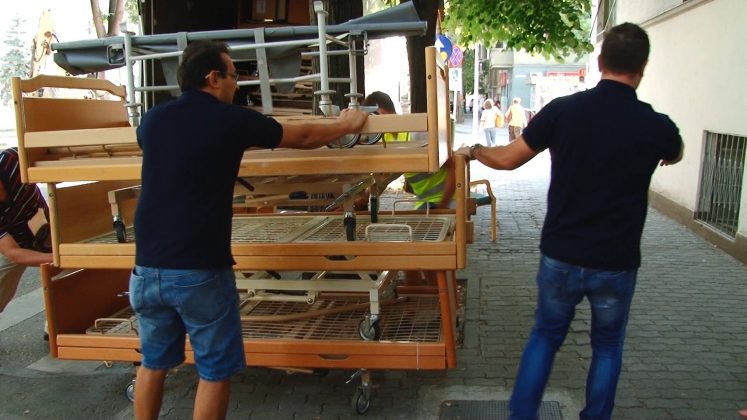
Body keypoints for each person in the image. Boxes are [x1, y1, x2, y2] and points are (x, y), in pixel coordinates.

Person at [455, 23, 684, 420]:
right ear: (642, 67)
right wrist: (665, 153)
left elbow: (508, 159)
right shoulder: (655, 125)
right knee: (608, 347)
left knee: (545, 338)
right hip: (616, 261)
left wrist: (473, 150)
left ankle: (521, 416)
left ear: (600, 62)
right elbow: (676, 150)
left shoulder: (563, 111)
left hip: (561, 254)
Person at [130, 40, 368, 420]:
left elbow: (175, 149)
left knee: (153, 362)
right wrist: (346, 125)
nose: (237, 84)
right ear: (213, 78)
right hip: (199, 271)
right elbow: (303, 137)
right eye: (233, 75)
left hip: (146, 269)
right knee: (214, 370)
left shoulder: (152, 120)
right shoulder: (232, 120)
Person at [362, 91, 455, 210]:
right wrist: (364, 198)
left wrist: (442, 206)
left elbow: (453, 167)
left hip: (448, 201)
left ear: (381, 112)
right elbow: (385, 179)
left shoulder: (416, 133)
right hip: (425, 202)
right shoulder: (386, 140)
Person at [0, 148, 54, 316]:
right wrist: (58, 258)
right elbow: (13, 253)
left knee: (67, 280)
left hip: (46, 227)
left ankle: (59, 322)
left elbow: (45, 158)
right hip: (14, 243)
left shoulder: (11, 160)